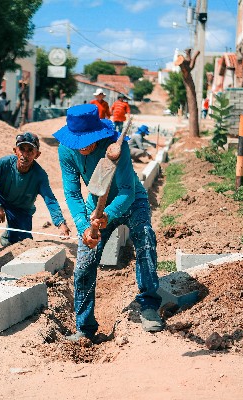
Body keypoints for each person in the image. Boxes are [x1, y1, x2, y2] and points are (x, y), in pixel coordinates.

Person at [53, 104, 163, 341]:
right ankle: (84, 327)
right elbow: (72, 193)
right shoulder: (66, 150)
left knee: (145, 240)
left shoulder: (115, 146)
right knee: (84, 263)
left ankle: (149, 305)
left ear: (97, 134)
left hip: (131, 201)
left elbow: (127, 191)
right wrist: (84, 226)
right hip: (96, 207)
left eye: (87, 141)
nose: (82, 147)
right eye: (77, 141)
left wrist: (108, 215)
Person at [0, 132, 71, 257]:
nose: (25, 154)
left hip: (21, 209)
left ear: (37, 155)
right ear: (15, 151)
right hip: (0, 197)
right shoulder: (5, 162)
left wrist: (61, 223)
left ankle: (8, 235)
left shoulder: (40, 175)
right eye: (22, 149)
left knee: (22, 243)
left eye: (30, 150)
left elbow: (50, 200)